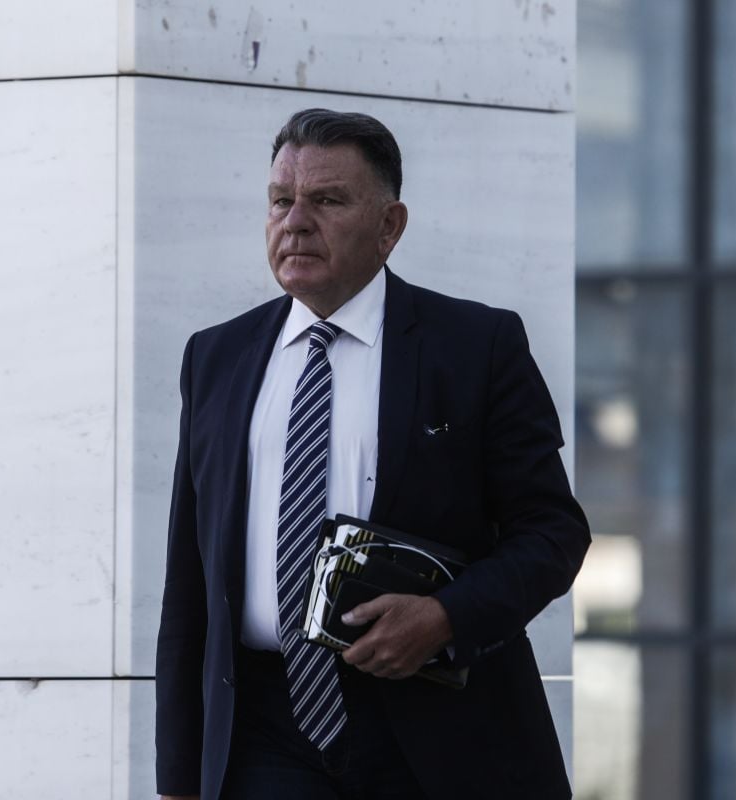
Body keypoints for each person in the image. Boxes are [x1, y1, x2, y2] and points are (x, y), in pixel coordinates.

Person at [155, 108, 590, 800]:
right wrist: (179, 779)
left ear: (390, 226)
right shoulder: (216, 357)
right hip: (264, 731)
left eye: (327, 201)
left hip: (438, 730)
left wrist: (445, 618)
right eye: (280, 200)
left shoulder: (475, 348)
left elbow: (553, 533)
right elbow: (190, 578)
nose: (296, 223)